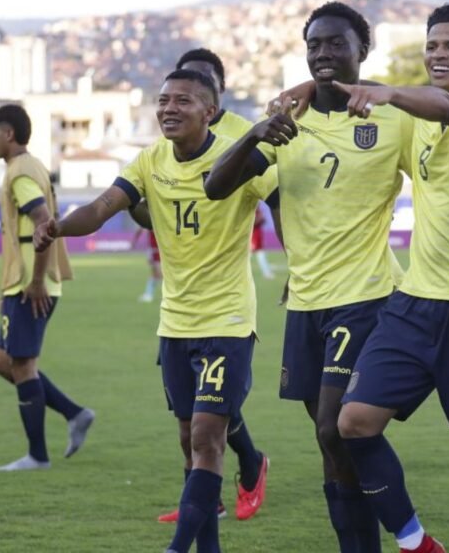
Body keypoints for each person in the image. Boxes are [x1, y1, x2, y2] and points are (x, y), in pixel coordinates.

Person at [207, 1, 449, 553]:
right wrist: (259, 131)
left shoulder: (401, 117)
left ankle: (411, 540)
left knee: (341, 428)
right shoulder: (290, 120)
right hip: (306, 301)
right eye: (315, 45)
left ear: (363, 52)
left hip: (372, 294)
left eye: (337, 44)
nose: (324, 53)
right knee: (332, 442)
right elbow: (216, 186)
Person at [34, 69, 288, 553]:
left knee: (207, 437)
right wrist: (58, 227)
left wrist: (300, 261)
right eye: (163, 100)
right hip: (175, 324)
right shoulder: (150, 160)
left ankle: (176, 548)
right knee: (191, 443)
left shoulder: (240, 160)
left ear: (210, 111)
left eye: (183, 101)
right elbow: (102, 207)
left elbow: (284, 205)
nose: (169, 108)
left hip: (228, 321)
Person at [325, 3, 449, 553]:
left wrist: (389, 91)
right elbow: (401, 103)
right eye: (432, 45)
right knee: (353, 422)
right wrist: (302, 91)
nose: (439, 54)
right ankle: (416, 544)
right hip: (414, 303)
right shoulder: (416, 120)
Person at [149, 48, 272, 524]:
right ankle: (209, 499)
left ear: (216, 95)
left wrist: (299, 263)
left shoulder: (242, 134)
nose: (177, 102)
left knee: (209, 415)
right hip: (179, 307)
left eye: (197, 87)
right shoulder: (168, 144)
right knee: (194, 419)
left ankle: (239, 473)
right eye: (172, 93)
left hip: (225, 305)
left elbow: (276, 194)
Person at [0, 104, 94, 472]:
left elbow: (44, 222)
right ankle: (75, 413)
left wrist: (35, 282)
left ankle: (37, 456)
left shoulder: (20, 173)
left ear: (9, 134)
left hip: (32, 286)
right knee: (5, 363)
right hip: (20, 283)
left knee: (22, 364)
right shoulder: (29, 166)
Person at [132, 227, 163, 302]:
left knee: (159, 273)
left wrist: (134, 240)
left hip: (158, 249)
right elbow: (140, 229)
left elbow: (139, 229)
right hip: (155, 249)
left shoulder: (155, 221)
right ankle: (149, 294)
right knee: (155, 273)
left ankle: (152, 294)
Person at [251, 205, 275, 280]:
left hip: (257, 236)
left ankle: (267, 273)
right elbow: (254, 222)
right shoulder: (251, 211)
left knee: (260, 255)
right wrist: (259, 219)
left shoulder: (257, 210)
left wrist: (260, 218)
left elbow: (263, 220)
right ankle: (267, 273)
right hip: (252, 237)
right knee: (257, 255)